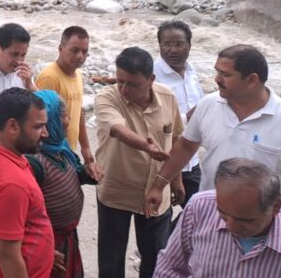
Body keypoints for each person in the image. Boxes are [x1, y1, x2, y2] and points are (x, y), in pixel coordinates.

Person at [145, 44, 281, 219]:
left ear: (251, 80)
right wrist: (159, 185)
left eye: (225, 74)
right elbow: (185, 146)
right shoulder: (208, 105)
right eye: (217, 71)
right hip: (210, 217)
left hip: (263, 224)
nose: (217, 79)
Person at [155, 158, 281, 277]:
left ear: (276, 207)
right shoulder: (200, 207)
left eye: (245, 220)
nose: (232, 227)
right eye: (223, 215)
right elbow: (170, 266)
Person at [95, 47, 183, 278]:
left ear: (151, 79)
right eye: (120, 81)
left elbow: (174, 140)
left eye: (132, 84)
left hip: (156, 193)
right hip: (116, 191)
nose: (124, 89)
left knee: (156, 258)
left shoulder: (168, 98)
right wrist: (146, 146)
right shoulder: (107, 97)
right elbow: (117, 128)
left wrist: (176, 180)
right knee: (111, 261)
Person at [0, 87, 55, 278]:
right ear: (13, 126)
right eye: (38, 126)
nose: (45, 133)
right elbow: (7, 253)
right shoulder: (12, 184)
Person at [26, 91, 104, 278]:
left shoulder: (62, 149)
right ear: (51, 120)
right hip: (47, 242)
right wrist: (41, 250)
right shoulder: (34, 161)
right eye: (64, 115)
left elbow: (75, 174)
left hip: (67, 237)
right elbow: (24, 214)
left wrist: (89, 172)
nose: (69, 120)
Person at [152, 21, 204, 209]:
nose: (173, 50)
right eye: (167, 44)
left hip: (191, 161)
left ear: (189, 45)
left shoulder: (191, 72)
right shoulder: (151, 76)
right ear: (159, 46)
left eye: (179, 44)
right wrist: (188, 118)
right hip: (162, 162)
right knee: (159, 217)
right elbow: (151, 121)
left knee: (200, 215)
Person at [36, 26, 95, 166]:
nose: (80, 56)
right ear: (60, 49)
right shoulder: (49, 77)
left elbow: (78, 111)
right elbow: (38, 120)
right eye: (74, 50)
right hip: (51, 155)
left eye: (84, 51)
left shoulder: (78, 74)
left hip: (69, 150)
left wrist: (85, 147)